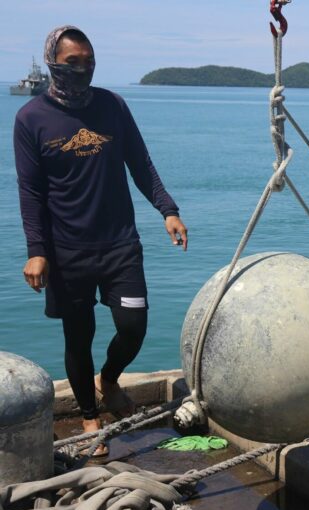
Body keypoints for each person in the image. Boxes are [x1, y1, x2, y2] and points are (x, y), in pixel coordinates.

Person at [14, 26, 188, 452]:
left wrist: (168, 209)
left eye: (88, 62)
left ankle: (108, 380)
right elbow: (31, 191)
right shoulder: (31, 118)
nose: (82, 69)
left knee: (133, 326)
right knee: (79, 336)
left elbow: (140, 163)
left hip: (119, 245)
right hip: (67, 251)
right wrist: (37, 252)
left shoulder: (112, 105)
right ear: (53, 61)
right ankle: (91, 419)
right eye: (72, 62)